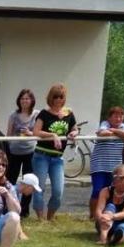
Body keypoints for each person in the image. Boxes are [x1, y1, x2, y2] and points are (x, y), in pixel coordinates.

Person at [30, 84, 77, 222]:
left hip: (58, 158)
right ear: (51, 98)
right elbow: (36, 131)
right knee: (39, 188)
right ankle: (41, 219)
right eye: (55, 96)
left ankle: (50, 217)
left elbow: (74, 129)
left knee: (58, 191)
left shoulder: (69, 113)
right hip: (42, 155)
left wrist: (74, 133)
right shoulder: (44, 113)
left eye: (61, 97)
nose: (58, 99)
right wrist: (53, 135)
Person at [90, 105, 124, 219]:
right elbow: (101, 133)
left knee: (112, 191)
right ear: (109, 118)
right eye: (115, 116)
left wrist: (113, 131)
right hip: (99, 165)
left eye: (120, 117)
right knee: (97, 191)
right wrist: (117, 133)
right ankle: (93, 215)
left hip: (115, 167)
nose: (118, 119)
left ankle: (107, 214)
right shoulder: (104, 124)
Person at [5, 89, 39, 209]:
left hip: (30, 151)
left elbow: (39, 133)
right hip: (14, 151)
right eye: (22, 98)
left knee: (29, 180)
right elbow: (9, 134)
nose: (24, 101)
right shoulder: (13, 115)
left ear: (32, 100)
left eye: (27, 98)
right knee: (10, 179)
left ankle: (24, 209)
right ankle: (8, 206)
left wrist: (30, 133)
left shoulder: (37, 114)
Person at [94, 164, 124, 246]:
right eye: (115, 177)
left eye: (122, 177)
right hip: (105, 221)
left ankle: (117, 238)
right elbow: (99, 210)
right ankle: (104, 236)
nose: (118, 179)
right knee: (110, 206)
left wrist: (111, 217)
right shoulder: (105, 191)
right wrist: (103, 218)